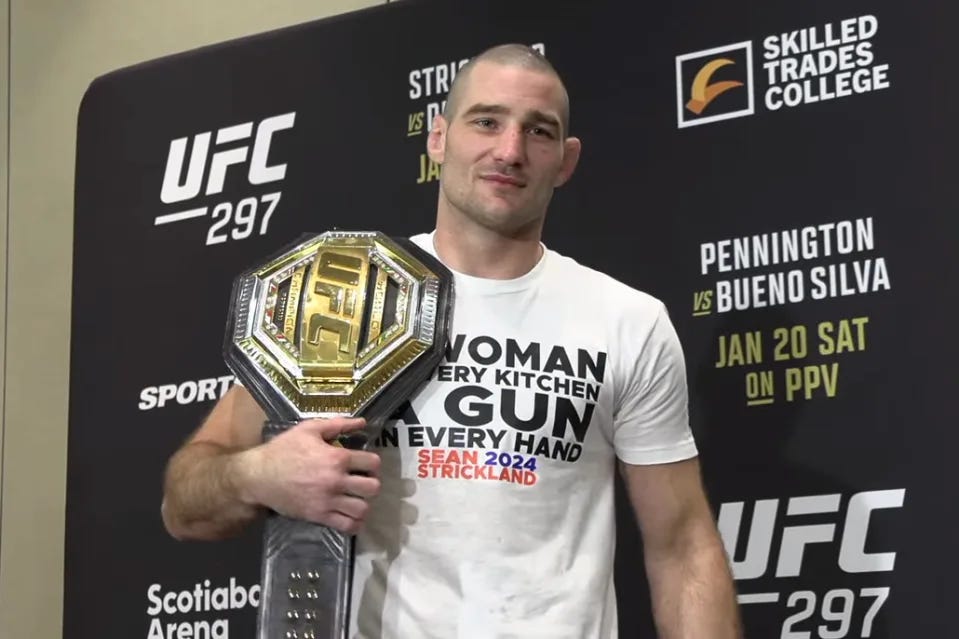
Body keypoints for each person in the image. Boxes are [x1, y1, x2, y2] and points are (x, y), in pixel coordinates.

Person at [161, 43, 742, 638]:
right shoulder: (343, 297)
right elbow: (184, 503)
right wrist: (258, 475)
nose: (510, 151)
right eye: (486, 121)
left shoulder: (626, 320)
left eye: (538, 131)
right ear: (438, 138)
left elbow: (683, 546)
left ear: (566, 161)